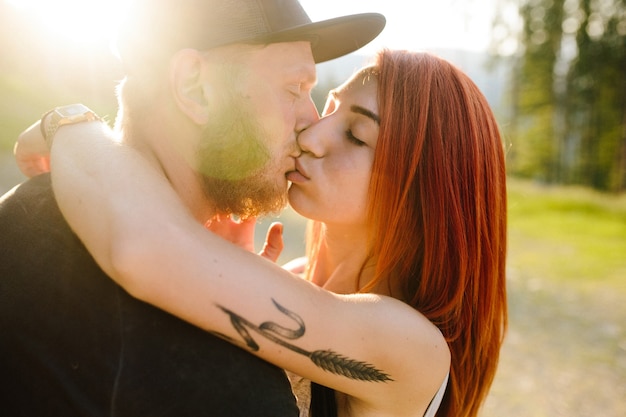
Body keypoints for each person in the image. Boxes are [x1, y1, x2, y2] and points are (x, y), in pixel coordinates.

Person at [15, 49, 508, 417]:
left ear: (426, 188)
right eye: (328, 109)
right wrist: (228, 269)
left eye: (356, 136)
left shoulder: (411, 346)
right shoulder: (294, 277)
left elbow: (142, 247)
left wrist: (72, 125)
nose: (312, 137)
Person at [0, 0, 385, 415]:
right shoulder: (233, 385)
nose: (312, 125)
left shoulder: (24, 213)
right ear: (194, 89)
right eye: (294, 90)